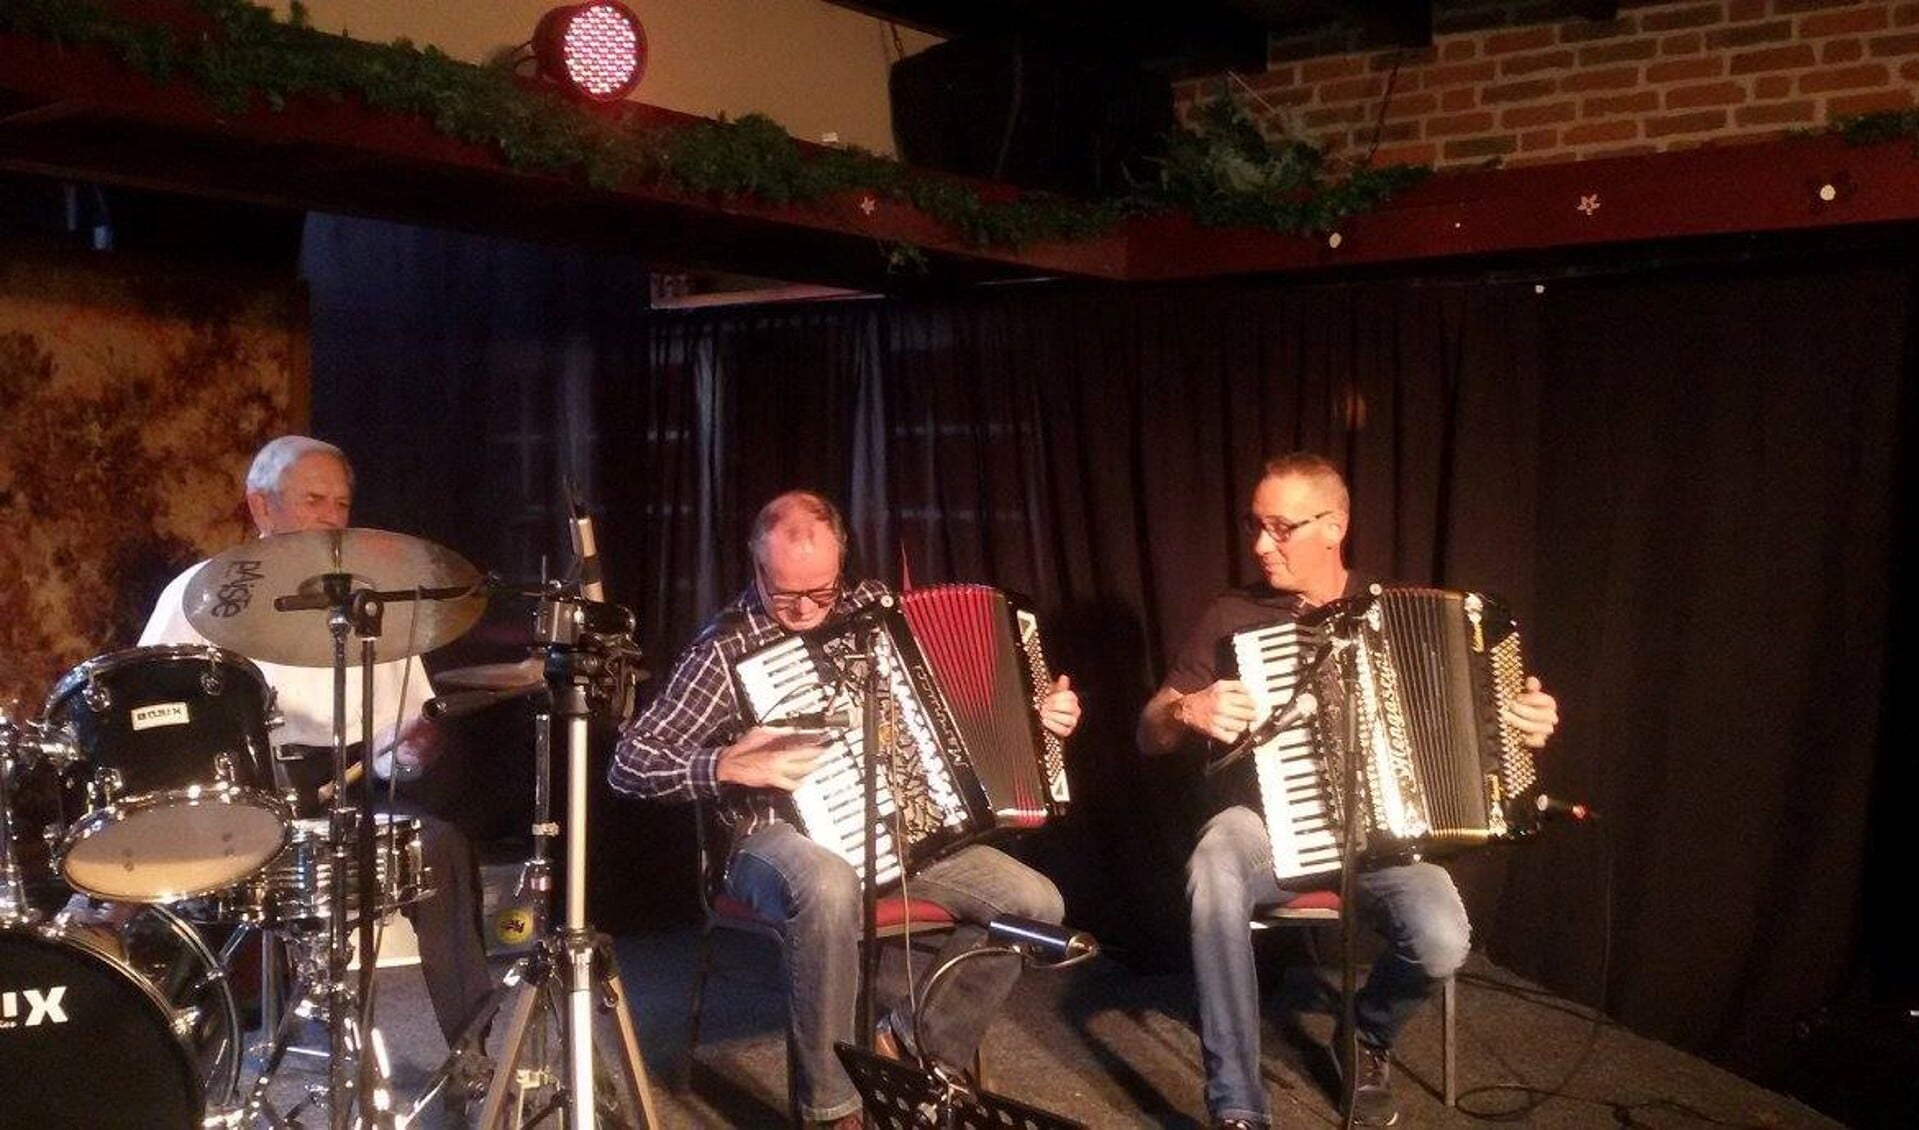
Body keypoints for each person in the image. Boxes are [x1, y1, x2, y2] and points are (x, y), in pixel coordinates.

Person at [610, 489, 1081, 1129]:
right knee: (831, 884)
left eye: (821, 592)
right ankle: (836, 1111)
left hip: (898, 835)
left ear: (842, 565)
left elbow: (959, 712)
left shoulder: (877, 610)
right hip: (767, 845)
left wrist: (1036, 720)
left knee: (1035, 903)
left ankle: (906, 1050)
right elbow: (629, 762)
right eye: (785, 594)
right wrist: (725, 764)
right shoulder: (724, 648)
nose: (804, 610)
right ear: (756, 568)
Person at [1136, 452, 1562, 1130]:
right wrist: (1183, 711)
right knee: (1213, 860)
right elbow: (1148, 730)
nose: (1259, 544)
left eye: (1280, 528)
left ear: (1332, 526)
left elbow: (1484, 728)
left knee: (1441, 939)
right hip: (1267, 827)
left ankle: (1363, 1032)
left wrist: (1521, 728)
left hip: (1387, 837)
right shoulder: (1231, 613)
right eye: (1256, 525)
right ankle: (1236, 1104)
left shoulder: (1400, 616)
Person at [140, 435, 495, 1093]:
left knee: (439, 849)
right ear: (261, 506)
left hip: (343, 796)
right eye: (313, 500)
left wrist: (415, 750)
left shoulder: (372, 603)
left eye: (340, 502)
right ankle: (184, 1052)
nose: (332, 516)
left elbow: (398, 748)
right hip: (238, 801)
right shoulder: (199, 595)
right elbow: (151, 720)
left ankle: (471, 1049)